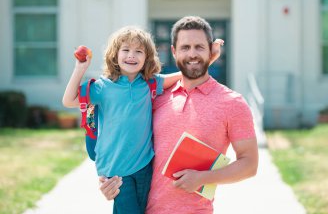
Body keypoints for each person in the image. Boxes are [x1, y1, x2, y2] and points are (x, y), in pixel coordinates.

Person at [99, 16, 259, 214]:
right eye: (185, 47)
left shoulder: (232, 103)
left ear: (211, 51)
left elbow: (249, 164)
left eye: (199, 47)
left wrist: (202, 178)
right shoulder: (154, 96)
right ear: (174, 52)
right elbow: (120, 136)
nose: (192, 54)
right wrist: (112, 184)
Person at [62, 26, 222, 214]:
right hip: (117, 170)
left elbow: (186, 74)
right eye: (126, 50)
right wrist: (80, 69)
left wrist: (209, 59)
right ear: (115, 54)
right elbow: (69, 100)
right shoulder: (103, 87)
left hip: (144, 166)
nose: (132, 55)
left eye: (139, 51)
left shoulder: (150, 83)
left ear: (147, 58)